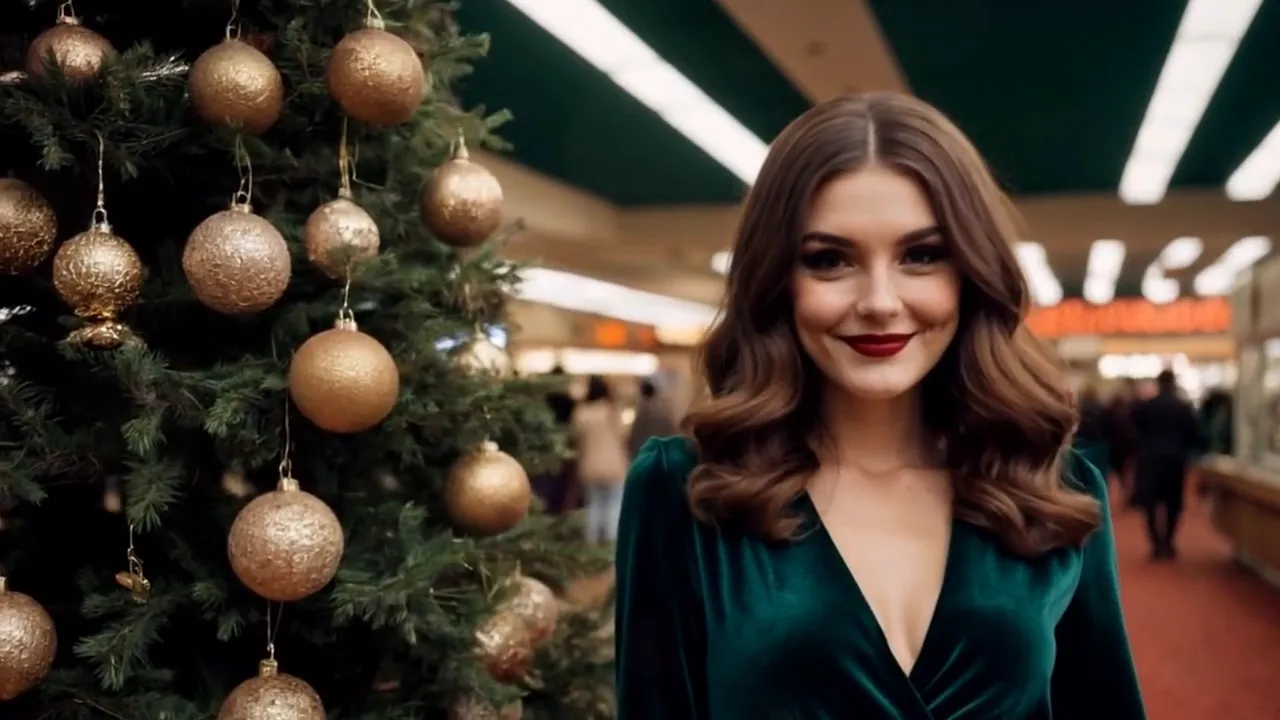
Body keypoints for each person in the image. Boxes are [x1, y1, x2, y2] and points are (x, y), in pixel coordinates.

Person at [614, 93, 1145, 719]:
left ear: (969, 271)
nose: (880, 301)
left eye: (921, 255)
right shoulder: (686, 491)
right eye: (829, 260)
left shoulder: (1048, 487)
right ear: (777, 280)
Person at [1130, 370, 1203, 560]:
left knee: (1150, 502)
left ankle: (1155, 543)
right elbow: (1194, 434)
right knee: (1173, 502)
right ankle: (1168, 541)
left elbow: (1134, 428)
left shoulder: (1147, 406)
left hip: (1150, 458)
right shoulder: (1183, 406)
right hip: (1175, 460)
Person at [571, 375, 629, 543]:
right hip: (614, 466)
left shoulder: (581, 413)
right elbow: (623, 435)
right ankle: (611, 545)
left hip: (589, 465)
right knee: (614, 506)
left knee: (593, 506)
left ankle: (591, 544)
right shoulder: (612, 411)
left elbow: (577, 440)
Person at [628, 378, 678, 459]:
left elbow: (633, 441)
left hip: (645, 456)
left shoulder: (642, 414)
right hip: (662, 456)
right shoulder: (663, 411)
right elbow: (671, 434)